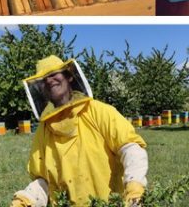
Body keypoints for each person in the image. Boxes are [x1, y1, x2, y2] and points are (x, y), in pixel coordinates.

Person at [10, 56, 148, 207]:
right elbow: (43, 180)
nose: (49, 81)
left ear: (68, 76)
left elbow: (131, 149)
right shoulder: (44, 130)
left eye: (53, 74)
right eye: (43, 80)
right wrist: (27, 198)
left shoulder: (99, 111)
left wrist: (134, 187)